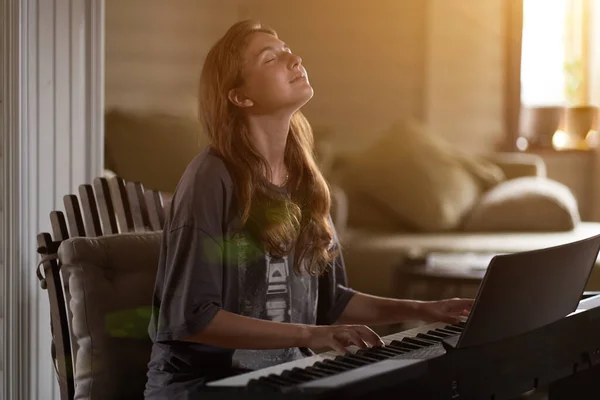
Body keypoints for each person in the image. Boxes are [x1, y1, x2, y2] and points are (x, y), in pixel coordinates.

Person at [144, 19, 473, 399]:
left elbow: (331, 303)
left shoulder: (305, 178)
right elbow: (190, 318)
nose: (294, 58)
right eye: (271, 58)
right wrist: (314, 335)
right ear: (240, 96)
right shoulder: (210, 178)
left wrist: (427, 310)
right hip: (205, 387)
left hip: (285, 378)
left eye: (287, 50)